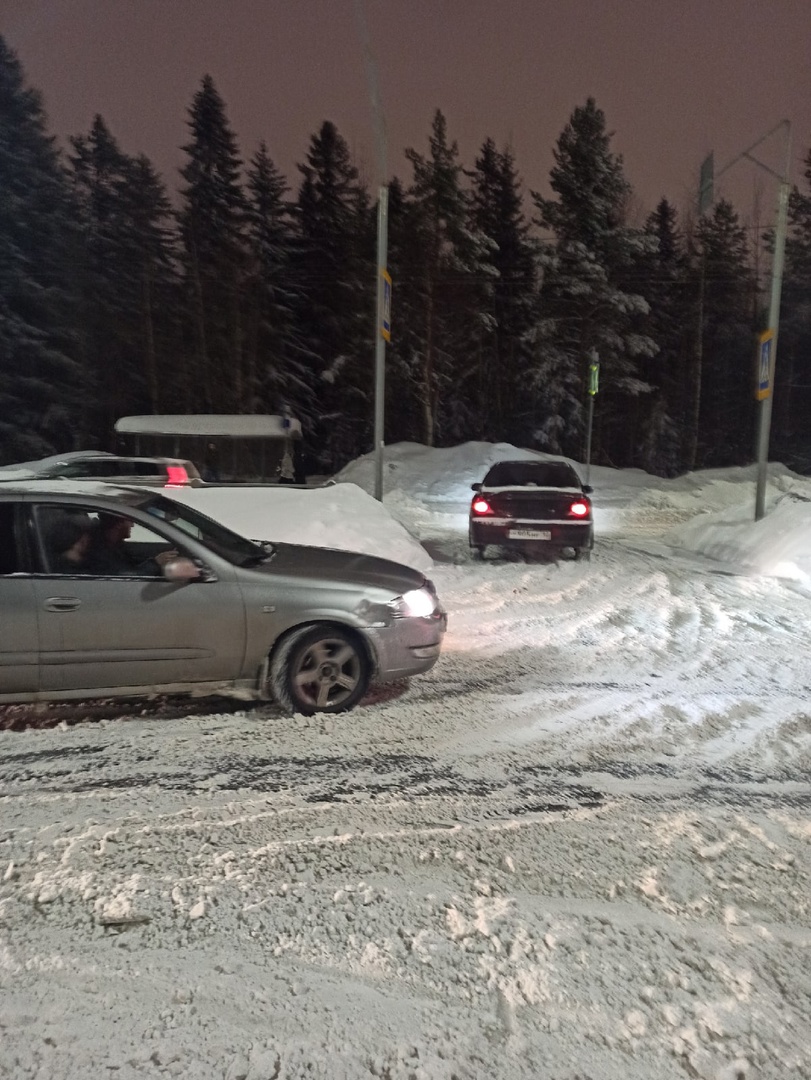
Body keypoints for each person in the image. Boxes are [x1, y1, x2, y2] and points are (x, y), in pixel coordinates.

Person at [84, 514, 177, 577]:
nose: (132, 525)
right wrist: (155, 563)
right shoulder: (100, 552)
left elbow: (130, 566)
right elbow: (125, 578)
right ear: (119, 524)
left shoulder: (114, 546)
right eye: (130, 521)